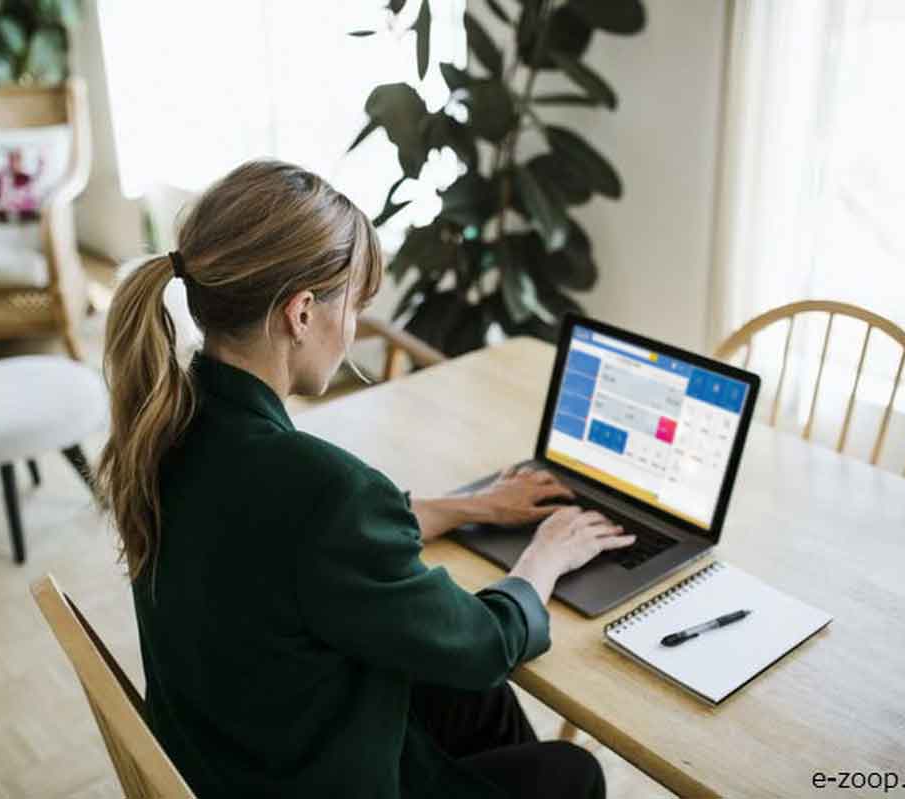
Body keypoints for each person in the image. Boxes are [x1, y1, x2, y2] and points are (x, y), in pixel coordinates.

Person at [96, 160, 636, 798]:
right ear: (301, 313)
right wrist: (544, 558)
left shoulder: (169, 424)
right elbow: (485, 643)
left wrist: (469, 507)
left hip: (236, 755)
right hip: (305, 778)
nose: (351, 329)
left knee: (471, 696)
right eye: (352, 305)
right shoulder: (322, 489)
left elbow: (301, 543)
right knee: (570, 773)